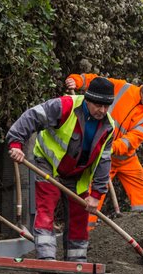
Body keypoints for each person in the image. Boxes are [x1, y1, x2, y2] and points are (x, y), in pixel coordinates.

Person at [6, 77, 115, 262]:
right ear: (87, 99)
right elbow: (32, 116)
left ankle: (77, 262)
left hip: (77, 175)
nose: (102, 111)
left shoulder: (108, 127)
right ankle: (46, 258)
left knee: (80, 214)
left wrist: (96, 195)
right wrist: (16, 143)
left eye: (106, 106)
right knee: (47, 205)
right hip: (48, 165)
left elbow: (104, 161)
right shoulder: (64, 106)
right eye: (98, 105)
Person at [64, 73, 143, 221]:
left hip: (125, 158)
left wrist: (109, 147)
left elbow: (132, 140)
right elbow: (96, 82)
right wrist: (77, 81)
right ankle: (85, 234)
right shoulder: (122, 88)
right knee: (93, 195)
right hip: (102, 157)